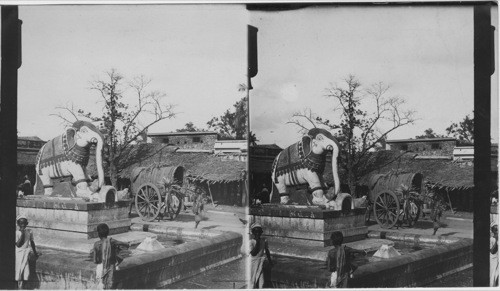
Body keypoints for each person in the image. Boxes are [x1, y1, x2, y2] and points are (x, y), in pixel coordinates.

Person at [92, 223, 129, 289]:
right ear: (108, 232)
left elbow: (95, 260)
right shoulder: (112, 241)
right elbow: (126, 245)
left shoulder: (96, 244)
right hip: (111, 268)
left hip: (100, 269)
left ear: (98, 234)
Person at [15, 215, 39, 289]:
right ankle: (16, 287)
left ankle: (23, 287)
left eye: (24, 223)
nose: (23, 225)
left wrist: (35, 252)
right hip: (18, 254)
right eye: (21, 223)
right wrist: (22, 233)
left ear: (27, 223)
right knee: (17, 271)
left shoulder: (29, 231)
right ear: (18, 224)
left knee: (26, 272)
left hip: (25, 253)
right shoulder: (16, 233)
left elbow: (32, 242)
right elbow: (19, 244)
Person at [249, 223, 273, 289]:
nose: (258, 234)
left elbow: (267, 250)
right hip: (253, 263)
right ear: (253, 233)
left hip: (261, 263)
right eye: (256, 232)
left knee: (261, 282)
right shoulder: (251, 242)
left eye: (259, 232)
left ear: (261, 232)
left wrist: (270, 261)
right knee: (252, 281)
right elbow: (253, 253)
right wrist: (257, 242)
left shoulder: (264, 240)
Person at [491, 222, 499, 287]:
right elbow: (492, 251)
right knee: (493, 276)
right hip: (493, 261)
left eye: (498, 229)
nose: (497, 231)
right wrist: (496, 240)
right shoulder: (491, 239)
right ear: (492, 231)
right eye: (495, 230)